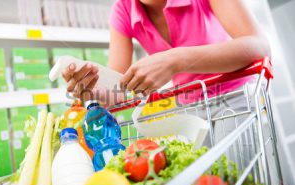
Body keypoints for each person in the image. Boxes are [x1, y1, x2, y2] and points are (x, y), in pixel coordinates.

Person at [62, 0, 270, 106]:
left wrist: (175, 60)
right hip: (189, 109)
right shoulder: (123, 8)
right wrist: (92, 91)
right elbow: (118, 90)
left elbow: (259, 46)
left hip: (238, 99)